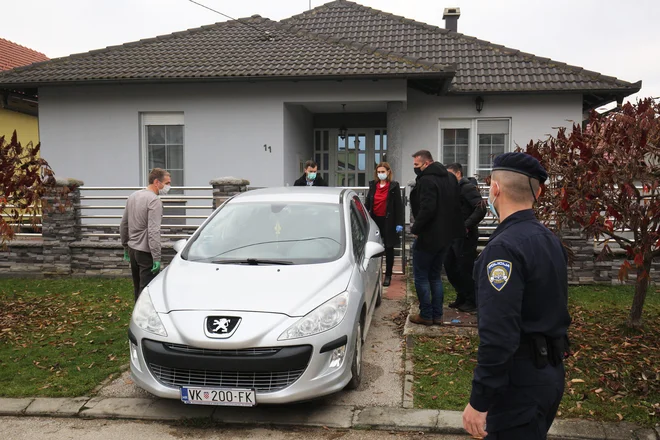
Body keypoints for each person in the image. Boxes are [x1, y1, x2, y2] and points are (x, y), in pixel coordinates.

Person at [462, 152, 571, 439]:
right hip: (550, 373)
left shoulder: (503, 250)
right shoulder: (549, 240)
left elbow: (499, 334)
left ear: (494, 190)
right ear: (539, 191)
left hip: (520, 384)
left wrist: (480, 399)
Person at [409, 150, 463, 326]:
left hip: (428, 236)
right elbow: (456, 205)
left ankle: (426, 314)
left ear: (426, 163)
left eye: (417, 165)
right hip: (446, 236)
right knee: (435, 276)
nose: (415, 168)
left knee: (422, 276)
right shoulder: (450, 178)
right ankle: (438, 315)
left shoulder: (426, 180)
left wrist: (415, 228)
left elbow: (427, 209)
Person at [120, 168, 170, 302]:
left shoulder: (133, 196)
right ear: (156, 182)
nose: (168, 187)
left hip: (133, 250)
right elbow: (153, 231)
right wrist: (156, 257)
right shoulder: (154, 201)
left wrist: (125, 246)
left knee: (137, 288)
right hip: (145, 252)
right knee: (147, 291)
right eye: (167, 183)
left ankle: (136, 317)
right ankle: (144, 320)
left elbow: (124, 224)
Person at [444, 163, 487, 313]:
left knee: (465, 268)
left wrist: (466, 226)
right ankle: (461, 296)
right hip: (451, 234)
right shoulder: (451, 189)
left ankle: (472, 300)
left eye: (449, 174)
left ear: (457, 174)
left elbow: (481, 208)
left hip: (465, 236)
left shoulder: (467, 188)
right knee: (450, 266)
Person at [364, 162, 404, 287]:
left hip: (389, 221)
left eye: (383, 171)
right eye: (379, 172)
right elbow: (368, 203)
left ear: (388, 172)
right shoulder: (373, 185)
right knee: (374, 247)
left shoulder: (393, 186)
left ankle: (388, 275)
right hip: (375, 220)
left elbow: (399, 206)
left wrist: (399, 223)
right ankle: (375, 273)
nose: (381, 174)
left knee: (388, 247)